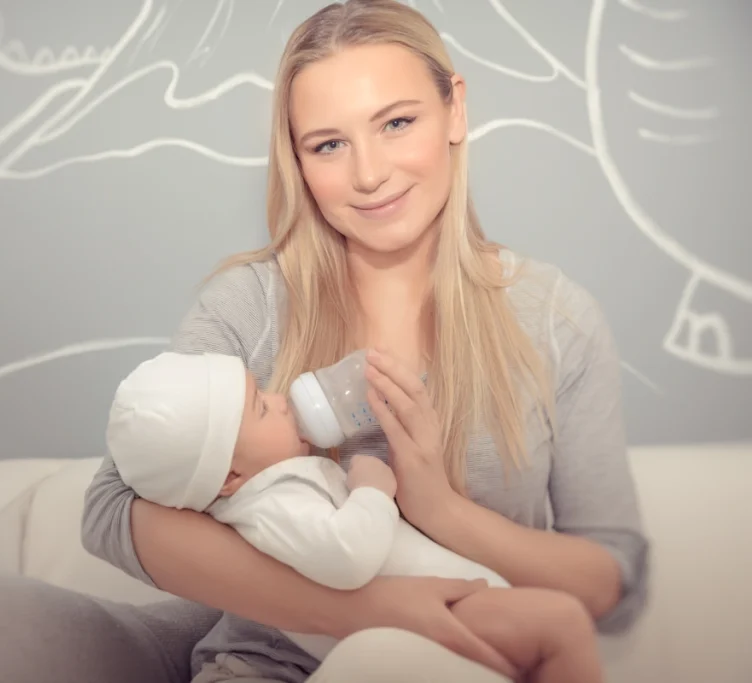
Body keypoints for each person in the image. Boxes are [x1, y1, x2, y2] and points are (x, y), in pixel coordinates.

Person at [81, 1, 649, 682]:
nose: (370, 173)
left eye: (397, 123)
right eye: (328, 144)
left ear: (455, 112)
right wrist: (369, 608)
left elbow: (610, 582)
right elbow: (113, 509)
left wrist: (440, 510)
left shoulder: (556, 320)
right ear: (297, 158)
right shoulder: (251, 306)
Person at [105, 349, 607, 683]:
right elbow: (348, 558)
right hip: (427, 614)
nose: (281, 401)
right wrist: (371, 487)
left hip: (438, 611)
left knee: (554, 628)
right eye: (261, 408)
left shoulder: (282, 486)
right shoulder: (266, 503)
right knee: (560, 623)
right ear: (229, 477)